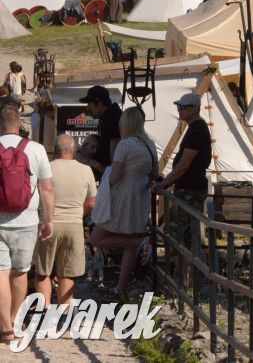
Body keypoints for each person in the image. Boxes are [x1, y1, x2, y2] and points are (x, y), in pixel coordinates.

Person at [89, 107, 158, 300]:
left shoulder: (124, 145)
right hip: (141, 199)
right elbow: (154, 174)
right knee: (131, 245)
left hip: (122, 200)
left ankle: (140, 242)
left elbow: (114, 177)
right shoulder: (149, 144)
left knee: (96, 238)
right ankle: (121, 288)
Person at [0, 105, 54, 344]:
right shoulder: (36, 149)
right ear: (20, 125)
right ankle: (14, 320)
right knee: (20, 272)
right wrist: (48, 219)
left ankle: (4, 329)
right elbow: (47, 189)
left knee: (0, 272)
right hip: (28, 220)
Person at [33, 135, 96, 312]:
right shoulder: (86, 170)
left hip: (47, 224)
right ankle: (63, 313)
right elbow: (92, 202)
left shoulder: (45, 169)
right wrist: (78, 214)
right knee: (67, 273)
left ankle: (44, 311)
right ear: (75, 151)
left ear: (54, 150)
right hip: (74, 225)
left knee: (42, 271)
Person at [152, 94, 212, 276]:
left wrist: (164, 182)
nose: (179, 109)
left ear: (195, 109)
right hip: (189, 189)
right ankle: (186, 278)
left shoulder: (197, 130)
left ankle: (182, 278)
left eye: (183, 107)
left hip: (190, 190)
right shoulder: (195, 128)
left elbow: (184, 165)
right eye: (179, 106)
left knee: (173, 231)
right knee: (186, 234)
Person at [78, 85, 122, 170]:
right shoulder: (108, 115)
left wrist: (111, 172)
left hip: (110, 170)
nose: (87, 107)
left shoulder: (112, 116)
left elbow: (115, 144)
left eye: (89, 103)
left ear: (99, 103)